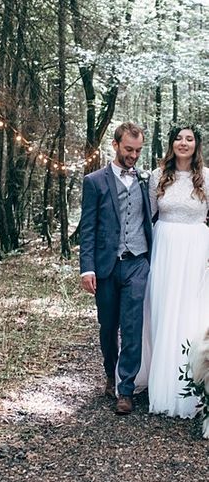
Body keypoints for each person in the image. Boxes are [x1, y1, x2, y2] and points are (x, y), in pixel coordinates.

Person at [80, 122, 153, 415]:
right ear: (115, 145)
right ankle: (110, 373)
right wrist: (87, 269)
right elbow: (88, 228)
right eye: (128, 149)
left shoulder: (146, 182)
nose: (133, 155)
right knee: (108, 326)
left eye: (137, 150)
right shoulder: (94, 181)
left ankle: (126, 389)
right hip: (107, 266)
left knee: (132, 326)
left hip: (138, 262)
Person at [138, 123, 209, 418]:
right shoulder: (157, 176)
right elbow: (146, 217)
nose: (183, 143)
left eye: (189, 139)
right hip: (165, 248)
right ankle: (161, 381)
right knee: (163, 311)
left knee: (192, 311)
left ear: (196, 145)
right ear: (171, 144)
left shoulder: (205, 178)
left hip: (196, 248)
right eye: (178, 138)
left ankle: (192, 386)